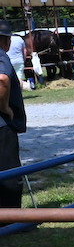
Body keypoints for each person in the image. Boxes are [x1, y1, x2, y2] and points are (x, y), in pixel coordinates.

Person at [0, 20, 26, 215]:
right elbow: (2, 80)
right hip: (2, 126)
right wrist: (5, 107)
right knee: (9, 172)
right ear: (7, 40)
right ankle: (11, 219)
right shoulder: (1, 55)